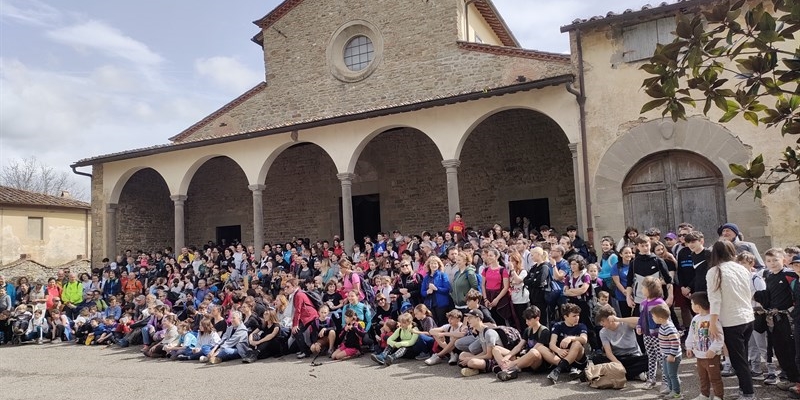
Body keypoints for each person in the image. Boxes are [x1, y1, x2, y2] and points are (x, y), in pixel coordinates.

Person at [707, 240, 755, 399]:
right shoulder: (741, 268)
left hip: (732, 320)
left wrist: (712, 323)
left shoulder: (715, 271)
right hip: (747, 317)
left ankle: (748, 393)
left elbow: (715, 300)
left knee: (738, 361)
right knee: (742, 357)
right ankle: (744, 389)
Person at [753, 247, 799, 389]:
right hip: (774, 318)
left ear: (784, 260)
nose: (772, 263)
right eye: (769, 261)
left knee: (792, 350)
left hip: (788, 318)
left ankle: (796, 380)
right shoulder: (768, 275)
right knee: (779, 349)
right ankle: (790, 378)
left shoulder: (790, 274)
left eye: (775, 260)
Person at [495, 305, 560, 381]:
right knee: (496, 349)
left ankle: (511, 367)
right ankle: (505, 367)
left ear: (537, 319)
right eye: (526, 320)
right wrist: (507, 356)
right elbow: (519, 346)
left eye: (529, 320)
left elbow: (537, 348)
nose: (527, 322)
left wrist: (514, 362)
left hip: (538, 361)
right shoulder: (528, 330)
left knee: (533, 352)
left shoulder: (544, 331)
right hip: (525, 357)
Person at [684, 292, 724, 400]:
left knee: (715, 377)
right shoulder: (695, 319)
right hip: (699, 355)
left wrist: (713, 349)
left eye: (692, 303)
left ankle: (718, 396)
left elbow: (720, 337)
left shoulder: (713, 319)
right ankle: (704, 394)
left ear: (698, 306)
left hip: (711, 356)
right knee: (703, 377)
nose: (691, 305)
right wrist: (689, 347)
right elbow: (691, 334)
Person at [593, 306, 649, 381]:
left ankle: (620, 374)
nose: (601, 324)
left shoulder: (625, 324)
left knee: (649, 359)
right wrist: (619, 365)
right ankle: (633, 373)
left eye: (603, 321)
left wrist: (618, 319)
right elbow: (608, 353)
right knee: (597, 359)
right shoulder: (603, 332)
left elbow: (640, 320)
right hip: (618, 358)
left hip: (633, 356)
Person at [637, 276, 668, 392]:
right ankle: (651, 379)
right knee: (651, 357)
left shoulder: (659, 302)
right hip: (646, 335)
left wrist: (664, 332)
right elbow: (641, 317)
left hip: (658, 336)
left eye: (643, 287)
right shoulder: (643, 303)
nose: (641, 289)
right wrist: (639, 326)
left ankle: (666, 381)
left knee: (661, 358)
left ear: (651, 289)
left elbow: (665, 318)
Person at [546, 303, 588, 384]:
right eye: (574, 316)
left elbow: (584, 339)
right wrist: (558, 350)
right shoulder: (558, 325)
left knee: (577, 343)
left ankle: (558, 369)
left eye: (578, 315)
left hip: (578, 359)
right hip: (562, 355)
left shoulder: (581, 326)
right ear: (565, 316)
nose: (577, 318)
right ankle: (568, 367)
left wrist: (570, 338)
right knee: (541, 348)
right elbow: (552, 344)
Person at [650, 304, 682, 399]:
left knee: (672, 374)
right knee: (667, 373)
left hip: (672, 356)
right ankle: (670, 388)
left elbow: (675, 342)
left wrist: (672, 355)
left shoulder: (668, 327)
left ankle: (676, 392)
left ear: (660, 318)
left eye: (653, 316)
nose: (652, 318)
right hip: (666, 355)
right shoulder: (663, 326)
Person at [285, 277, 319, 359]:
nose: (286, 289)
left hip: (309, 316)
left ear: (294, 286)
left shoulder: (299, 295)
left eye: (288, 286)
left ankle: (305, 351)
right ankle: (304, 350)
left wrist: (295, 324)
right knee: (296, 331)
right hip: (307, 315)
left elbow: (298, 310)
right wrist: (294, 324)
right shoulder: (297, 294)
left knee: (297, 331)